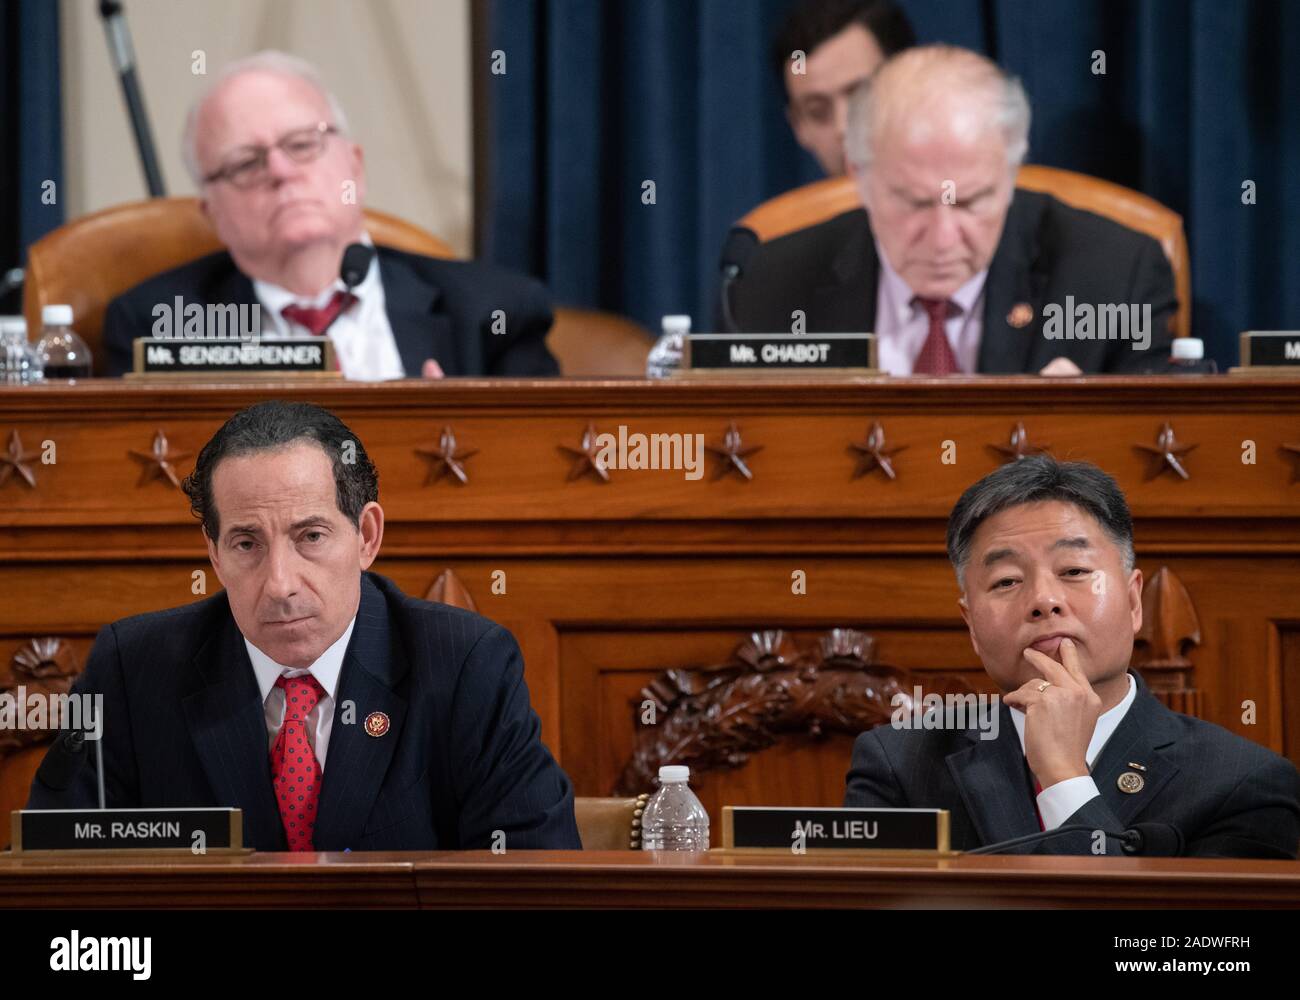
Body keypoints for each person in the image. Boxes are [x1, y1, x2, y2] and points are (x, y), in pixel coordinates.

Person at [28, 401, 581, 851]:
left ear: (366, 536)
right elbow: (58, 869)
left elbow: (536, 879)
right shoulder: (132, 667)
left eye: (310, 537)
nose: (280, 584)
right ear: (215, 556)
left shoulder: (466, 664)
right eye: (247, 544)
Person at [844, 455, 1300, 857]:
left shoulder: (1244, 783)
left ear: (1134, 602)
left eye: (1075, 571)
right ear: (972, 625)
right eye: (1006, 581)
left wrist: (1064, 777)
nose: (1044, 599)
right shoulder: (898, 762)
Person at [102, 51, 558, 380]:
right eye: (245, 163)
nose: (280, 172)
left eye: (302, 144)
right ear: (212, 213)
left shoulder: (494, 312)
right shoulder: (158, 323)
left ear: (354, 167)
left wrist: (461, 436)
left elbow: (545, 486)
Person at [727, 46, 1178, 376]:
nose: (943, 238)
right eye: (915, 202)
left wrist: (1089, 439)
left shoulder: (1116, 279)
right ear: (857, 174)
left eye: (971, 201)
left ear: (1010, 172)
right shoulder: (773, 284)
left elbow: (1160, 476)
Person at [773, 0, 916, 177]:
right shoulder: (780, 206)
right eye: (817, 112)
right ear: (798, 127)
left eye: (863, 96)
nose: (843, 128)